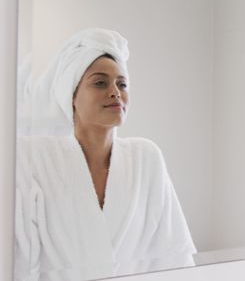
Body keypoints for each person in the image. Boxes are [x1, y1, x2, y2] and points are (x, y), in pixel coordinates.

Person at [14, 28, 196, 281]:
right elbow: (19, 258)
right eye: (100, 82)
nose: (115, 92)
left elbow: (173, 252)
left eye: (122, 84)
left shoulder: (145, 157)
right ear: (72, 95)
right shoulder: (35, 157)